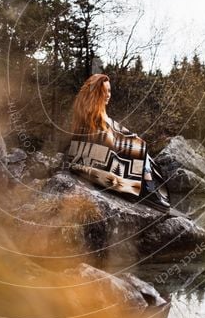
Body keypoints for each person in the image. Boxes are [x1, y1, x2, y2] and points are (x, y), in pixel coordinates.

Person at [67, 73, 171, 213]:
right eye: (104, 91)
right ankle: (148, 189)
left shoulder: (94, 109)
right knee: (139, 146)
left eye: (109, 91)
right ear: (96, 93)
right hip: (94, 155)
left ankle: (149, 188)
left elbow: (111, 127)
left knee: (140, 148)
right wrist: (125, 137)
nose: (108, 95)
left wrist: (126, 134)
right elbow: (102, 135)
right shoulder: (90, 111)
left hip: (97, 150)